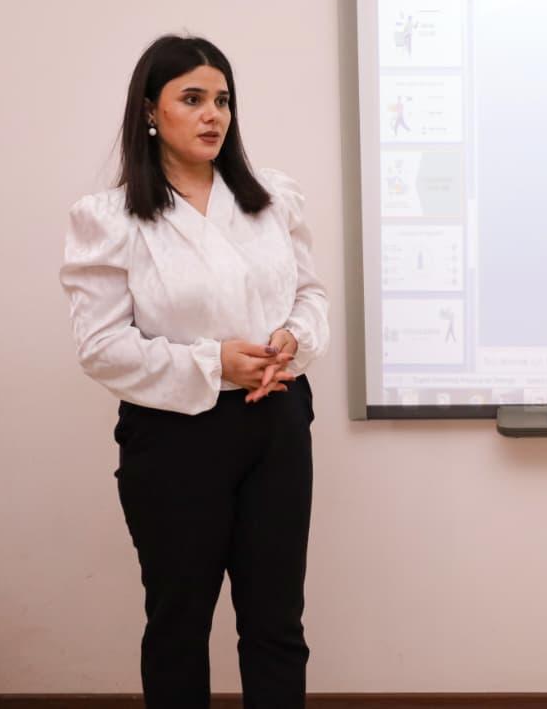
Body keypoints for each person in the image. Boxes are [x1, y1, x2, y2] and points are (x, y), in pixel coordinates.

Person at [59, 34, 329, 708]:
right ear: (151, 111)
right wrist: (215, 362)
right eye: (192, 99)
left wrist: (292, 340)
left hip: (276, 424)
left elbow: (310, 295)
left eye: (223, 100)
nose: (213, 114)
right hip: (175, 437)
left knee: (276, 622)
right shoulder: (111, 219)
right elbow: (100, 346)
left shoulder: (272, 198)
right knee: (178, 625)